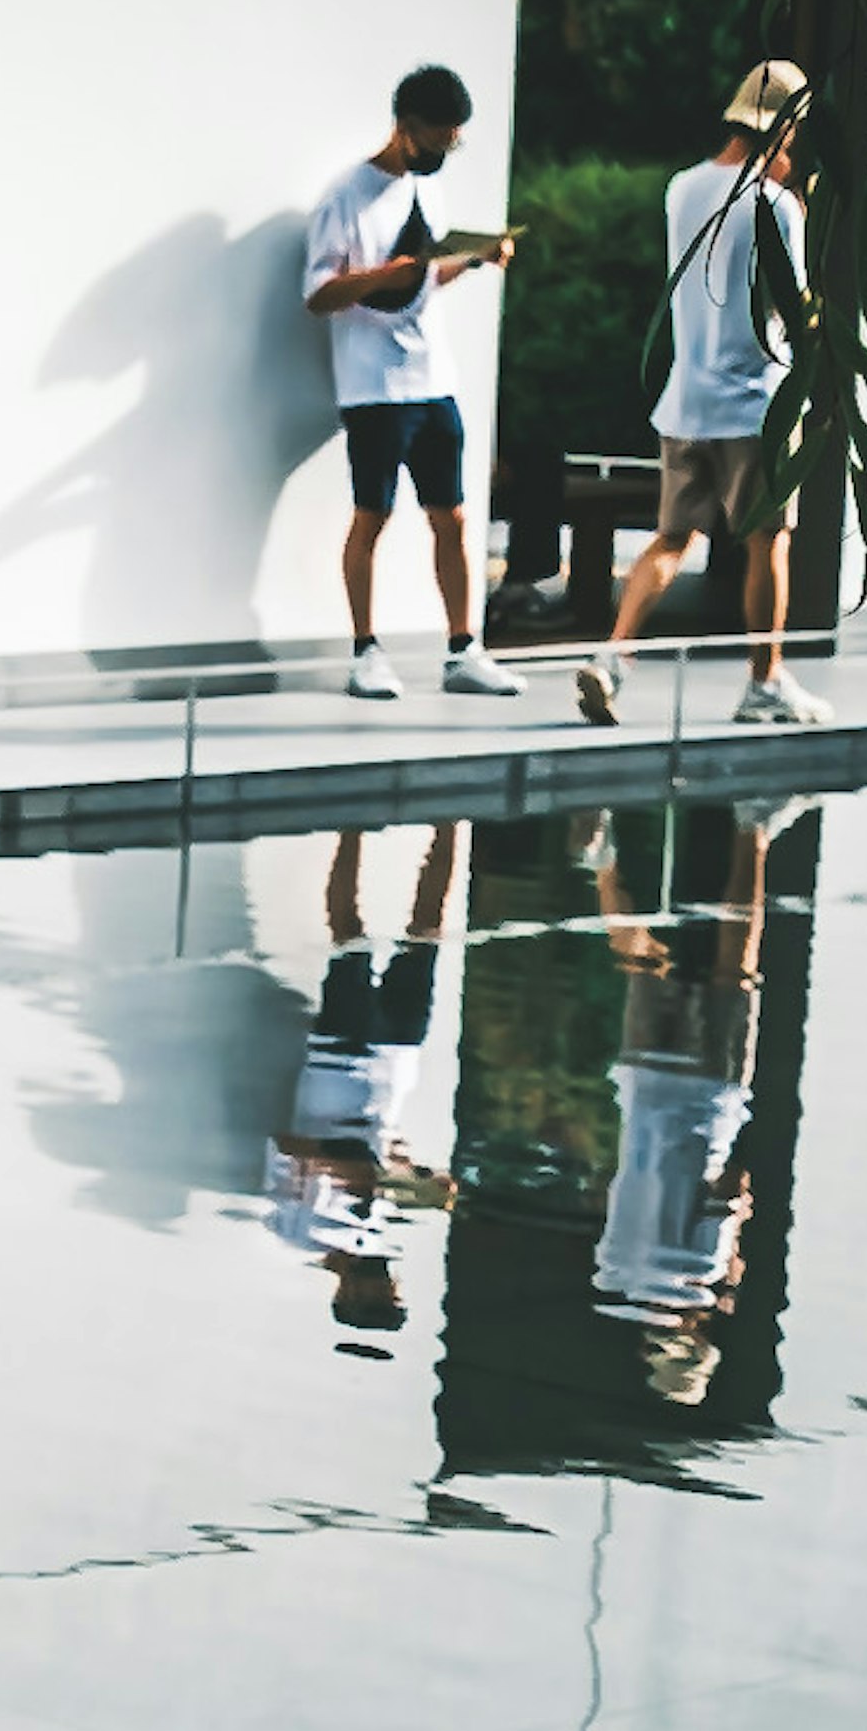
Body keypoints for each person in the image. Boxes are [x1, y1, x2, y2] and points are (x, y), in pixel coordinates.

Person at [579, 64, 828, 732]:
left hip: (685, 399)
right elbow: (795, 307)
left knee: (669, 539)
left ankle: (612, 659)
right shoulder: (775, 205)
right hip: (754, 403)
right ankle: (765, 681)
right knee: (767, 541)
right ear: (782, 126)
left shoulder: (681, 189)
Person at [304, 66, 520, 706]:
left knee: (451, 517)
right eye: (437, 140)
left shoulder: (428, 191)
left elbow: (419, 284)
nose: (442, 153)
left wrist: (472, 261)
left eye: (454, 143)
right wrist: (381, 274)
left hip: (434, 380)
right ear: (405, 127)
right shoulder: (345, 196)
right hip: (372, 387)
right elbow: (318, 294)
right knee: (372, 516)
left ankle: (463, 649)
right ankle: (365, 652)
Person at [575, 799, 788, 1401]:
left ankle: (753, 829)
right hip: (642, 1089)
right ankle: (603, 865)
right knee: (640, 965)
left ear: (697, 1336)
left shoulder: (699, 1275)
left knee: (735, 968)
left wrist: (736, 1247)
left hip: (708, 1097)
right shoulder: (612, 1273)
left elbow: (732, 1188)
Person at [267, 826, 463, 1342]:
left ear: (347, 1295)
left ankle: (351, 830)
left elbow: (287, 1146)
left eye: (381, 1299)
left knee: (348, 935)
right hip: (396, 1060)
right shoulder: (378, 1231)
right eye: (395, 1295)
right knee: (427, 935)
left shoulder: (298, 1231)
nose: (391, 1288)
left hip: (340, 1059)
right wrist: (410, 1170)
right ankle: (451, 827)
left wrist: (358, 1172)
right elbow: (378, 1154)